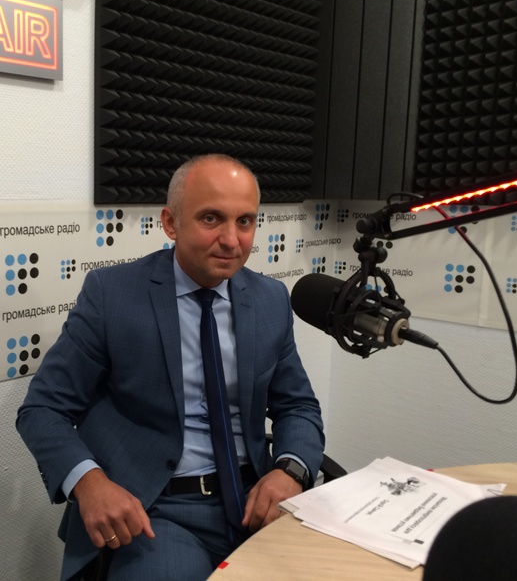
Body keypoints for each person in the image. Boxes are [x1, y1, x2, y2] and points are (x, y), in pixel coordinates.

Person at [17, 154, 325, 580]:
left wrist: (289, 471)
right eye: (211, 219)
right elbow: (42, 410)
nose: (231, 240)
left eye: (244, 221)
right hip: (157, 510)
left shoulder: (270, 299)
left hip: (255, 498)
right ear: (170, 222)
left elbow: (298, 406)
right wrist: (90, 484)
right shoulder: (112, 294)